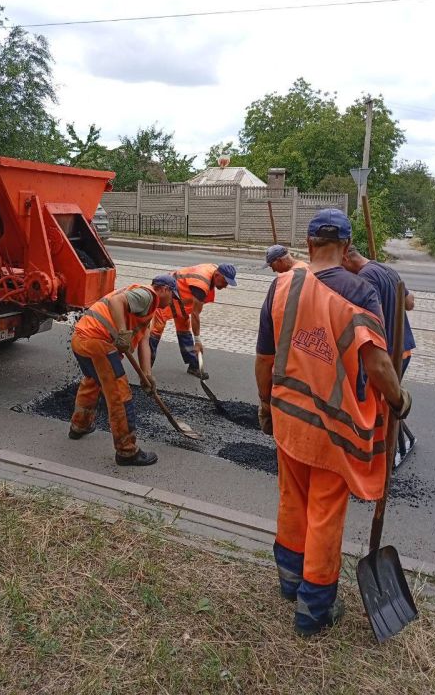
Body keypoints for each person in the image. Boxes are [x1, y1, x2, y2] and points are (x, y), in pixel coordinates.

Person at [255, 208, 411, 637]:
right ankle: (314, 610)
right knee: (324, 513)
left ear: (307, 245)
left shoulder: (282, 284)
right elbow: (378, 364)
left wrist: (265, 408)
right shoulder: (360, 292)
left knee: (292, 500)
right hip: (333, 428)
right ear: (345, 247)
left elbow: (265, 359)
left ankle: (290, 582)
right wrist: (400, 400)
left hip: (288, 418)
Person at [69, 275, 181, 466]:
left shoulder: (148, 311)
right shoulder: (148, 295)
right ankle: (127, 451)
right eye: (173, 297)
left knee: (93, 381)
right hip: (97, 341)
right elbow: (115, 301)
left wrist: (146, 375)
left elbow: (144, 342)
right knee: (120, 395)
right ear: (165, 290)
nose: (172, 303)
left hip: (81, 339)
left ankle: (80, 425)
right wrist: (123, 332)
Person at [342, 245, 417, 467]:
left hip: (387, 356)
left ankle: (387, 454)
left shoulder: (365, 278)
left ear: (347, 259)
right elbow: (410, 302)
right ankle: (399, 442)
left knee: (381, 404)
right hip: (404, 350)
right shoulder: (386, 269)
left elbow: (375, 320)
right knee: (388, 398)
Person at [149, 263, 237, 380]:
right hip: (167, 296)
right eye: (225, 282)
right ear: (217, 275)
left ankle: (194, 366)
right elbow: (195, 314)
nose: (225, 286)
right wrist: (198, 341)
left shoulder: (213, 272)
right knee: (156, 331)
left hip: (179, 300)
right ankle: (146, 369)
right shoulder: (201, 284)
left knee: (184, 330)